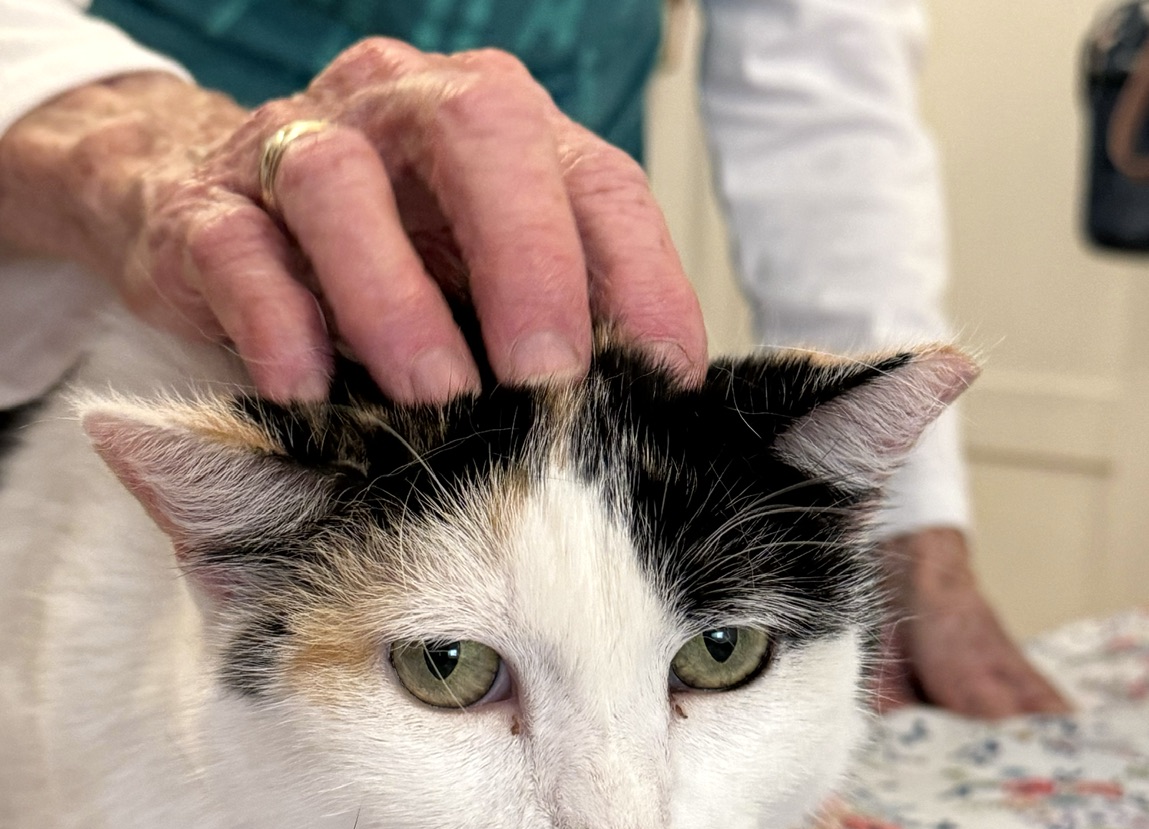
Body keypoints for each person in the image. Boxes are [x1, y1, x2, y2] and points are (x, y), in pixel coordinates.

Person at [0, 0, 1067, 717]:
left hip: (543, 302)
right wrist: (115, 149)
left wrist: (904, 512)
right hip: (91, 303)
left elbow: (825, 88)